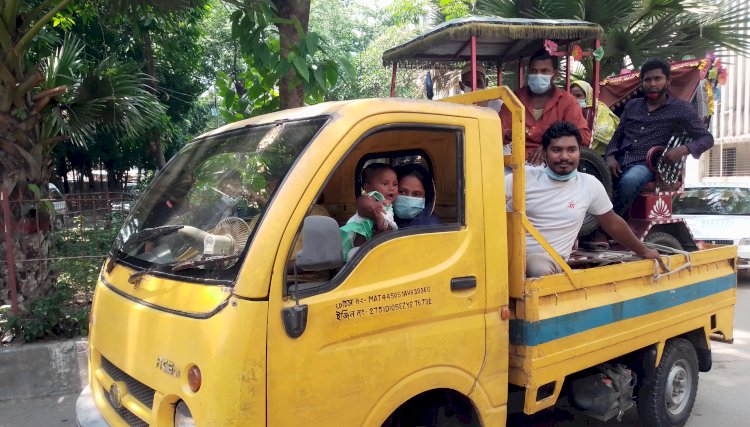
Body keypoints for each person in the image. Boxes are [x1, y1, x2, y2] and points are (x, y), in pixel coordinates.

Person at [505, 122, 667, 277]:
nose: (564, 156)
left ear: (579, 152)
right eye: (556, 150)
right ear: (545, 152)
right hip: (504, 256)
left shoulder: (589, 185)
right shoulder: (522, 178)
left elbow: (612, 223)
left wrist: (643, 250)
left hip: (546, 262)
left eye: (571, 150)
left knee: (536, 266)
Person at [606, 58, 714, 217]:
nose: (652, 83)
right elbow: (617, 136)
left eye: (657, 78)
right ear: (642, 83)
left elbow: (706, 138)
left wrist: (682, 150)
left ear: (668, 81)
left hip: (647, 165)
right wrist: (610, 156)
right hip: (620, 161)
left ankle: (607, 229)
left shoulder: (681, 108)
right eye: (647, 80)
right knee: (586, 175)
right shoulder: (632, 105)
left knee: (630, 181)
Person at [500, 49, 591, 165]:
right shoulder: (513, 99)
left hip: (553, 166)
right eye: (534, 71)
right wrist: (509, 134)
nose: (538, 75)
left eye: (544, 71)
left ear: (555, 75)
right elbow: (495, 131)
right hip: (514, 164)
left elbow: (584, 136)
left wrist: (551, 146)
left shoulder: (567, 101)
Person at [340, 163, 399, 260]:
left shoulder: (390, 206)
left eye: (395, 184)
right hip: (360, 246)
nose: (391, 188)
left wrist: (382, 225)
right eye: (385, 183)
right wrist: (373, 207)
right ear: (367, 188)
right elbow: (361, 202)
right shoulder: (374, 197)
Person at [570, 80, 620, 155]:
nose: (574, 99)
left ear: (588, 95)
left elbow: (604, 131)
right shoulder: (568, 112)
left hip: (601, 156)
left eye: (578, 95)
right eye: (571, 96)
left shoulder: (600, 109)